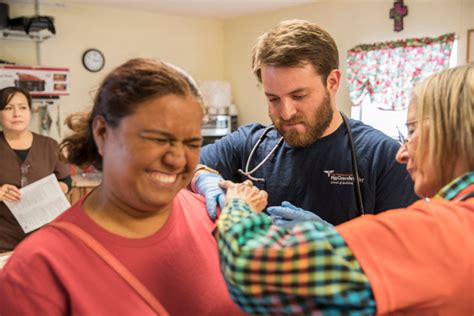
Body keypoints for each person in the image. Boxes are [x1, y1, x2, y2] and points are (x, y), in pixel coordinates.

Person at [216, 63, 474, 315]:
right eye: (273, 99)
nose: (402, 153)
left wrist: (240, 207)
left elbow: (249, 267)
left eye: (412, 130)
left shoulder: (438, 231)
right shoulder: (250, 140)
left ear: (453, 131)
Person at [0, 58, 250, 315]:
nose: (176, 159)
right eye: (156, 138)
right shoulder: (38, 270)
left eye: (191, 142)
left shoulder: (216, 218)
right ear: (102, 133)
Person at [193, 19, 418, 225]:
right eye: (273, 99)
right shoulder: (249, 145)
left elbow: (405, 258)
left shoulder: (384, 157)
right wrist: (203, 177)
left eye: (299, 96)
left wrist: (339, 242)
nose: (286, 112)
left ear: (332, 82)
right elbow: (185, 164)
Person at [0, 87, 71, 253]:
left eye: (23, 107)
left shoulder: (50, 145)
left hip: (43, 239)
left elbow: (66, 180)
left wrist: (61, 188)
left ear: (30, 112)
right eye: (9, 108)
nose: (17, 114)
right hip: (3, 241)